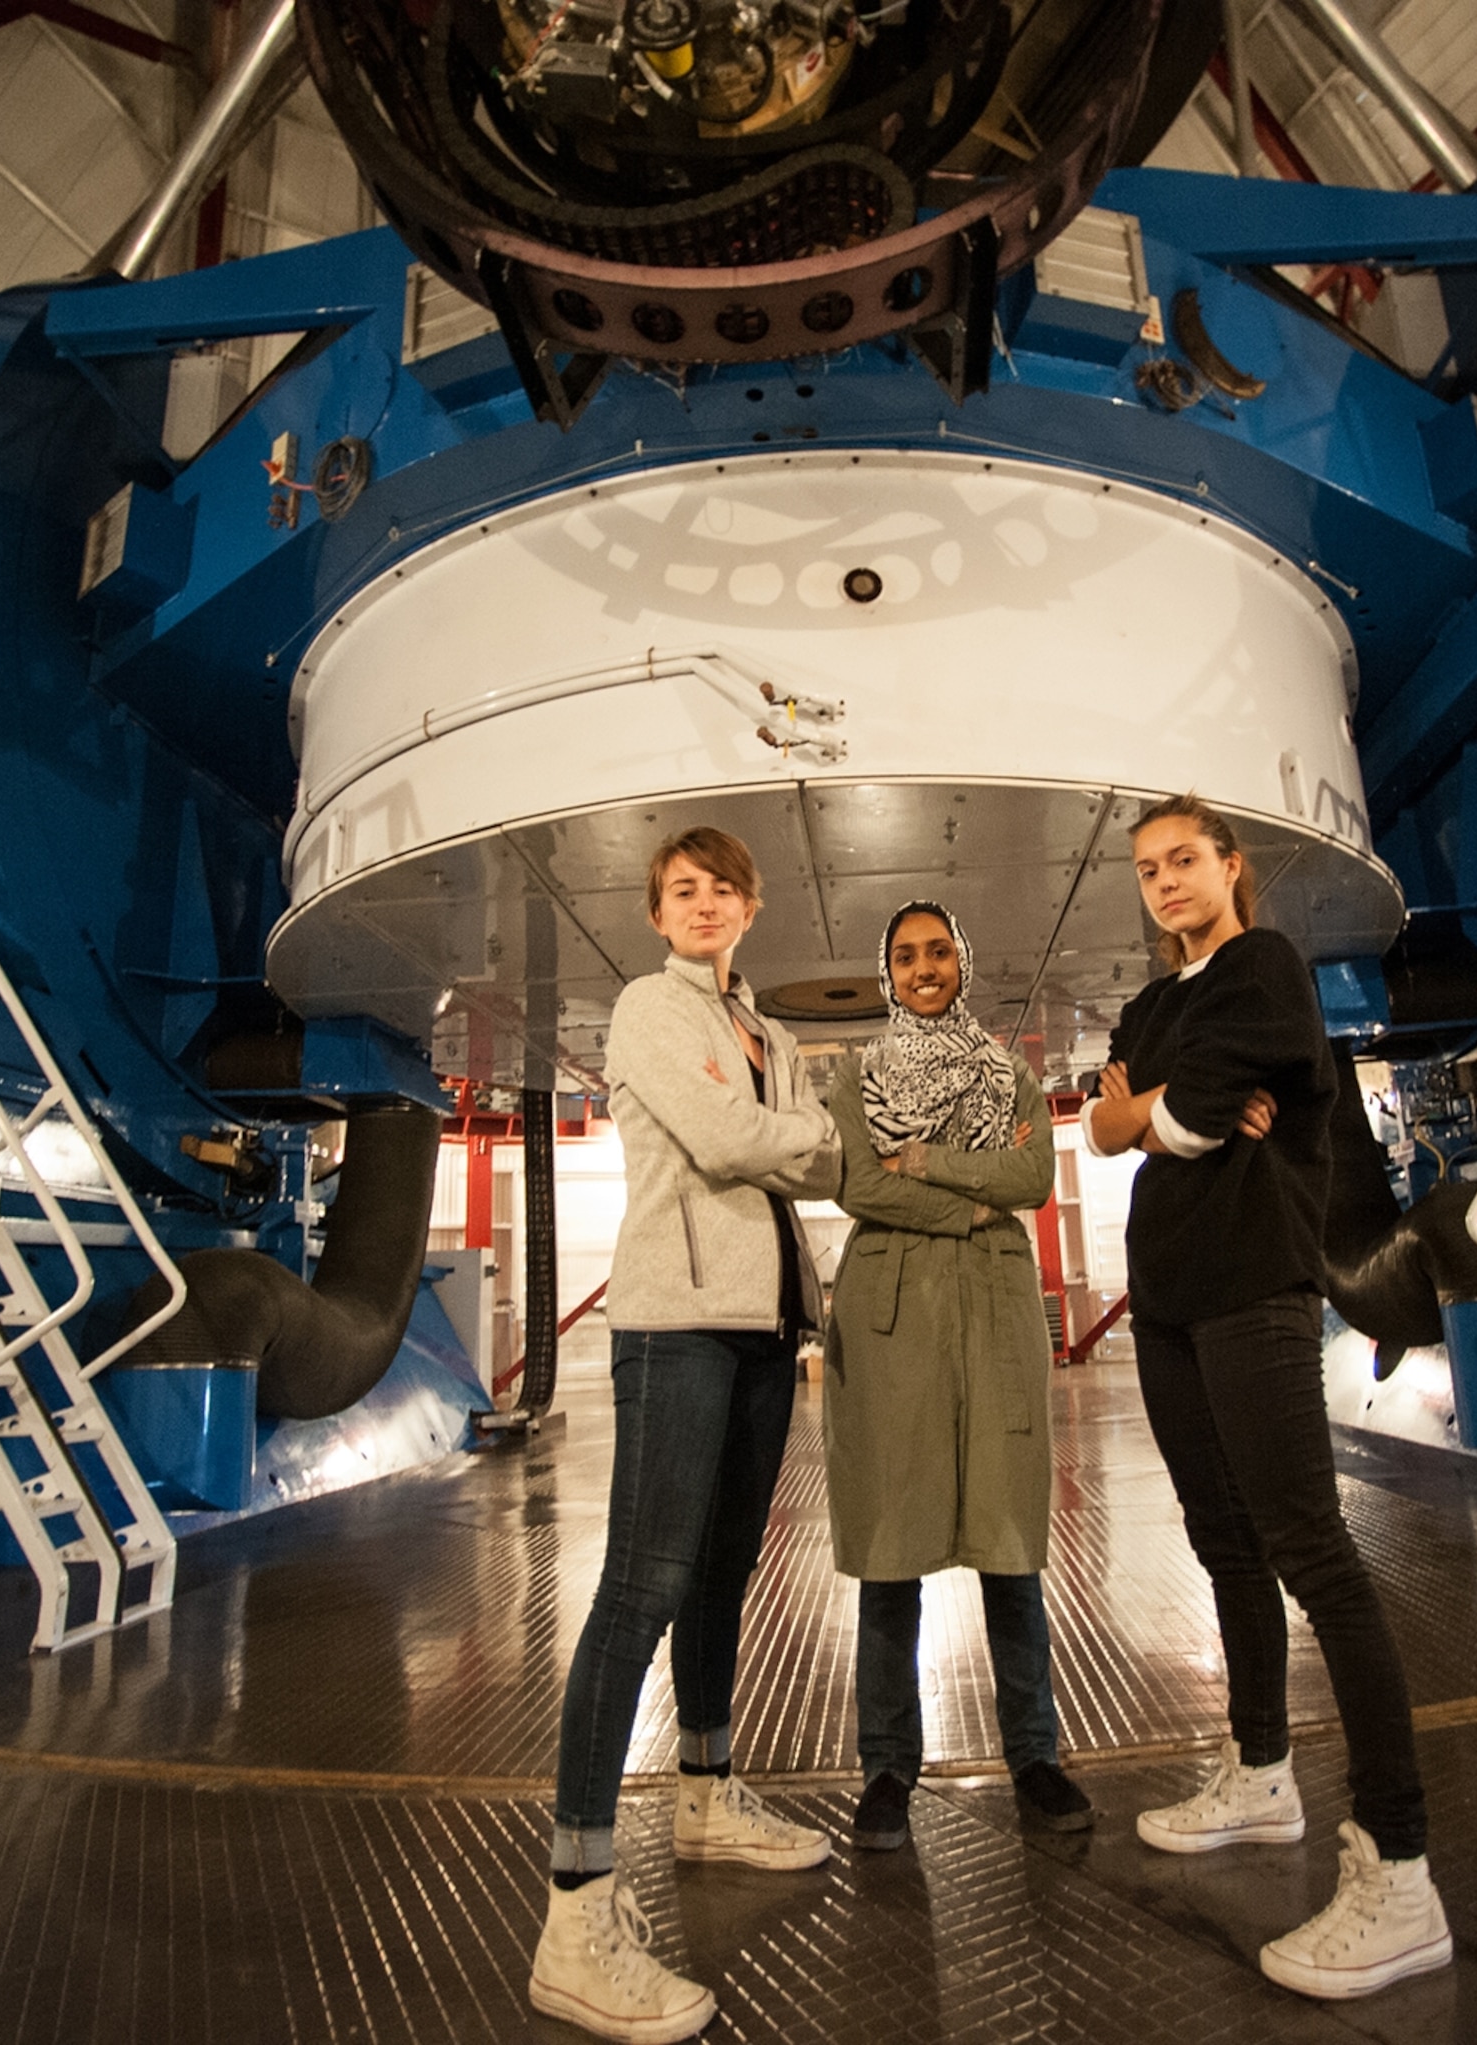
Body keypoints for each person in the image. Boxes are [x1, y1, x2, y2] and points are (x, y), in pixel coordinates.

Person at [1081, 793, 1452, 2003]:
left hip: (1255, 1287)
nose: (1166, 881)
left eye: (1184, 859)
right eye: (1148, 868)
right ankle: (1260, 1767)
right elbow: (1105, 1122)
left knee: (1311, 1548)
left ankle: (1399, 1866)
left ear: (1231, 866)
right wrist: (1150, 1112)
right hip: (1172, 1296)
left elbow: (1177, 1116)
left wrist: (1162, 1113)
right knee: (1222, 1541)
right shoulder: (1153, 1002)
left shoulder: (1268, 968)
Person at [530, 825, 841, 2045]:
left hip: (765, 1325)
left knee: (722, 1572)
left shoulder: (770, 1033)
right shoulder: (649, 1011)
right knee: (639, 1588)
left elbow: (795, 1150)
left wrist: (791, 1132)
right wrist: (800, 1134)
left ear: (752, 905)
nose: (703, 903)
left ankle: (708, 1792)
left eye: (722, 887)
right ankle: (575, 1908)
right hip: (675, 1324)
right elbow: (737, 1144)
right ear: (659, 913)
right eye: (681, 890)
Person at [821, 901, 1096, 1853]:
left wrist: (933, 1161)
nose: (925, 967)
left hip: (993, 1306)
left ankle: (1035, 1756)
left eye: (941, 949)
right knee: (893, 1547)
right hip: (896, 1311)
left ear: (963, 961)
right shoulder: (857, 1073)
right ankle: (889, 1768)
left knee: (1010, 1539)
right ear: (886, 973)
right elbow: (859, 1183)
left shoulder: (1008, 1069)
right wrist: (965, 1207)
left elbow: (1030, 1183)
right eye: (906, 955)